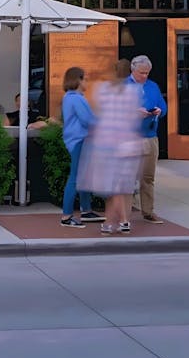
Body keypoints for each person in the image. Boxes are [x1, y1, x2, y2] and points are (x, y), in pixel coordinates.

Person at [79, 61, 143, 234]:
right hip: (126, 143)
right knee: (120, 186)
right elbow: (133, 119)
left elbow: (98, 113)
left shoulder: (103, 89)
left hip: (105, 144)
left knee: (112, 187)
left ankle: (110, 222)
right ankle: (123, 220)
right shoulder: (133, 91)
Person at [59, 67, 104, 228]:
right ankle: (66, 216)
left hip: (77, 140)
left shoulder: (70, 98)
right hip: (79, 140)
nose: (87, 82)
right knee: (75, 178)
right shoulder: (76, 99)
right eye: (85, 79)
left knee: (84, 176)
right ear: (77, 80)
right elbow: (87, 120)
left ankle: (86, 210)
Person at [128, 55, 167, 223]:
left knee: (148, 176)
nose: (145, 76)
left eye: (147, 73)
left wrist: (159, 111)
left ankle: (148, 211)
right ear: (133, 70)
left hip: (150, 136)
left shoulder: (153, 86)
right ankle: (124, 213)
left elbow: (163, 106)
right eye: (142, 73)